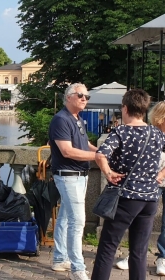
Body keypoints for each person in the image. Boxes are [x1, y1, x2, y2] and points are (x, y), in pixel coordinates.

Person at [91, 89, 165, 280]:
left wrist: (108, 173)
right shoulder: (155, 133)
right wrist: (160, 175)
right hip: (150, 198)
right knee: (139, 252)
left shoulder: (122, 131)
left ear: (125, 108)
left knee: (108, 247)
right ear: (144, 108)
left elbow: (101, 154)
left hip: (127, 196)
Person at [48, 83, 97, 280]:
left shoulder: (77, 119)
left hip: (79, 176)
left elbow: (84, 144)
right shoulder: (61, 120)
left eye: (87, 96)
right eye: (80, 95)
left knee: (66, 218)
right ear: (69, 97)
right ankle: (78, 269)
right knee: (78, 222)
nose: (84, 98)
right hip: (68, 176)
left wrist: (101, 152)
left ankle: (60, 259)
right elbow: (67, 151)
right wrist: (98, 158)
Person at [115, 100, 165, 275]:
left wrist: (161, 174)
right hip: (151, 183)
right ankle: (137, 255)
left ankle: (162, 258)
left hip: (153, 181)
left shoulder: (153, 132)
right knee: (141, 223)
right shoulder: (154, 132)